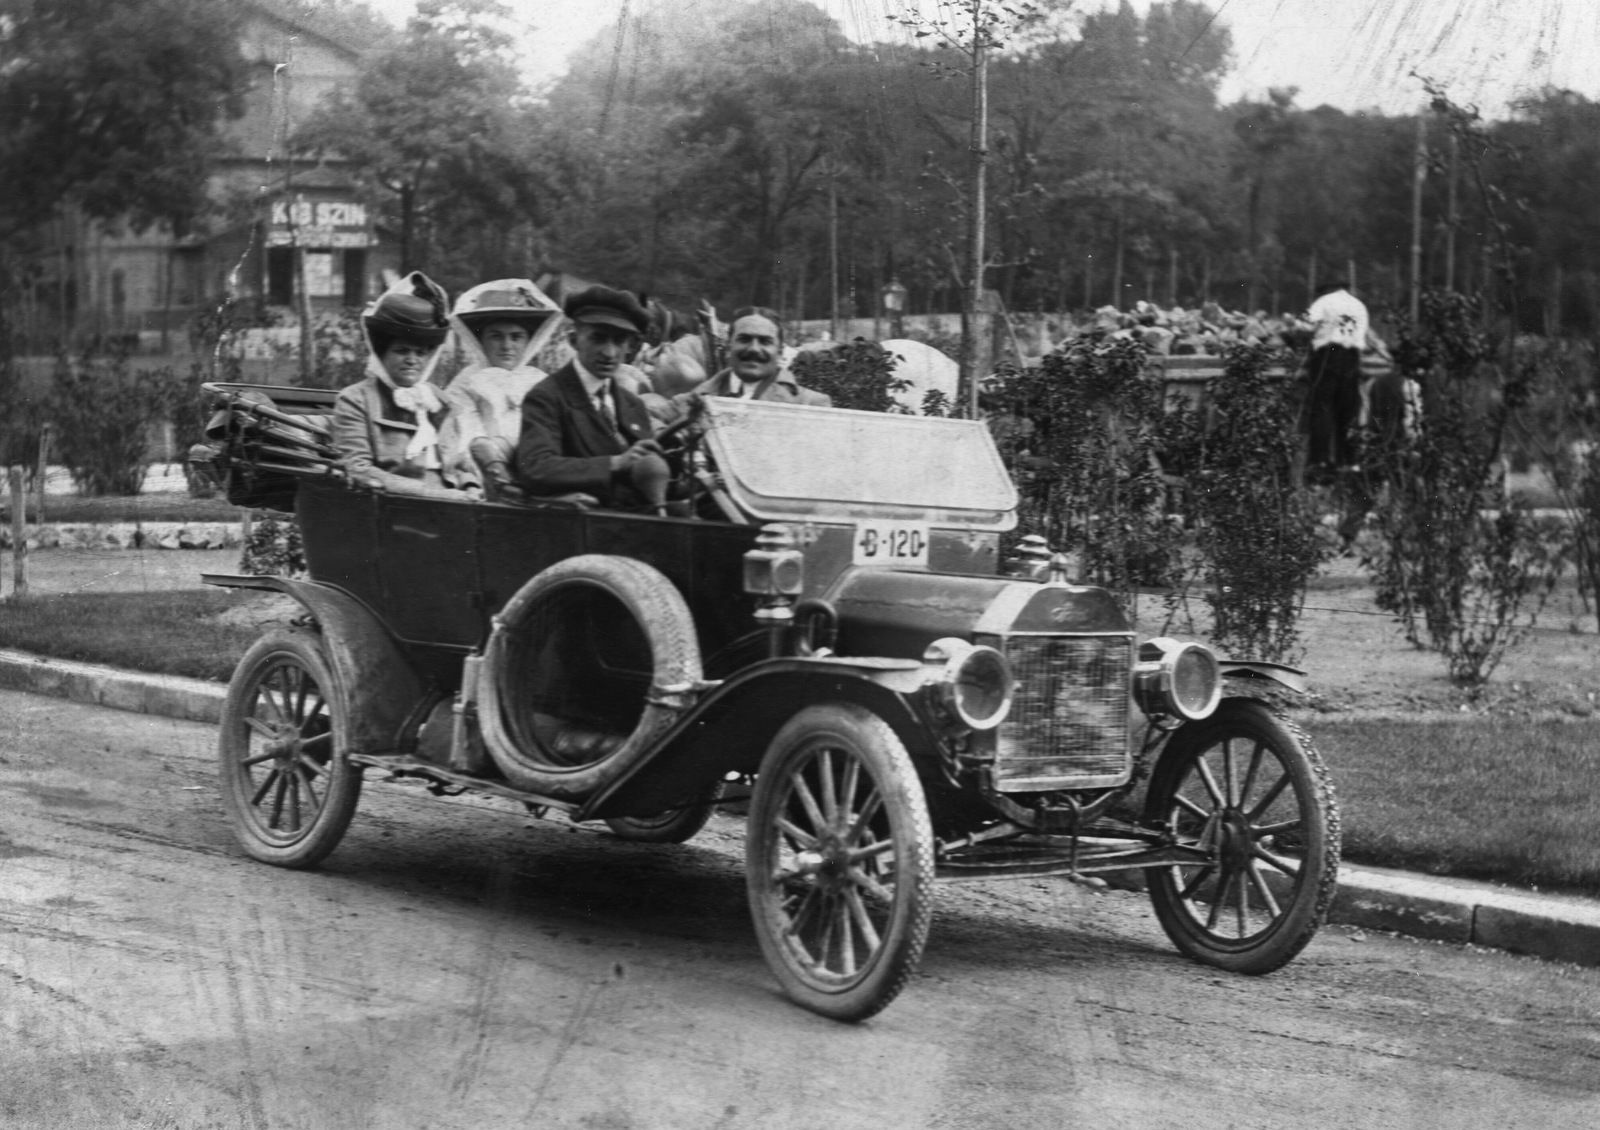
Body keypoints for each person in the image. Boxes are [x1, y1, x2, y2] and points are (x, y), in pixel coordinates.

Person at [515, 285, 669, 510]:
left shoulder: (632, 403)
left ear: (630, 346)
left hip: (639, 515)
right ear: (573, 340)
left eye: (619, 341)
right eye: (598, 338)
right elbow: (535, 467)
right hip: (588, 525)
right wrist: (615, 463)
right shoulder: (546, 397)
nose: (609, 353)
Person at [331, 271, 478, 498]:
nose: (412, 360)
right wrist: (433, 495)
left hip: (452, 504)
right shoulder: (356, 399)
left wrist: (471, 486)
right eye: (402, 350)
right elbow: (357, 469)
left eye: (420, 352)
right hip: (394, 508)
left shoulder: (437, 401)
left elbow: (458, 461)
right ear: (381, 354)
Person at [439, 278, 562, 500]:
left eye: (516, 337)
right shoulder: (468, 381)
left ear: (529, 341)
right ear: (481, 340)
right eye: (496, 336)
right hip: (483, 475)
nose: (507, 346)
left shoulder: (540, 381)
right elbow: (460, 437)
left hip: (536, 467)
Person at [1302, 280, 1369, 473]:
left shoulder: (1324, 301)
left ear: (1327, 288)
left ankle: (1320, 460)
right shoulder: (1359, 306)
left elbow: (1305, 324)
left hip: (1329, 357)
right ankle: (1349, 461)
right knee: (1348, 410)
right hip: (1352, 359)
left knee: (1322, 407)